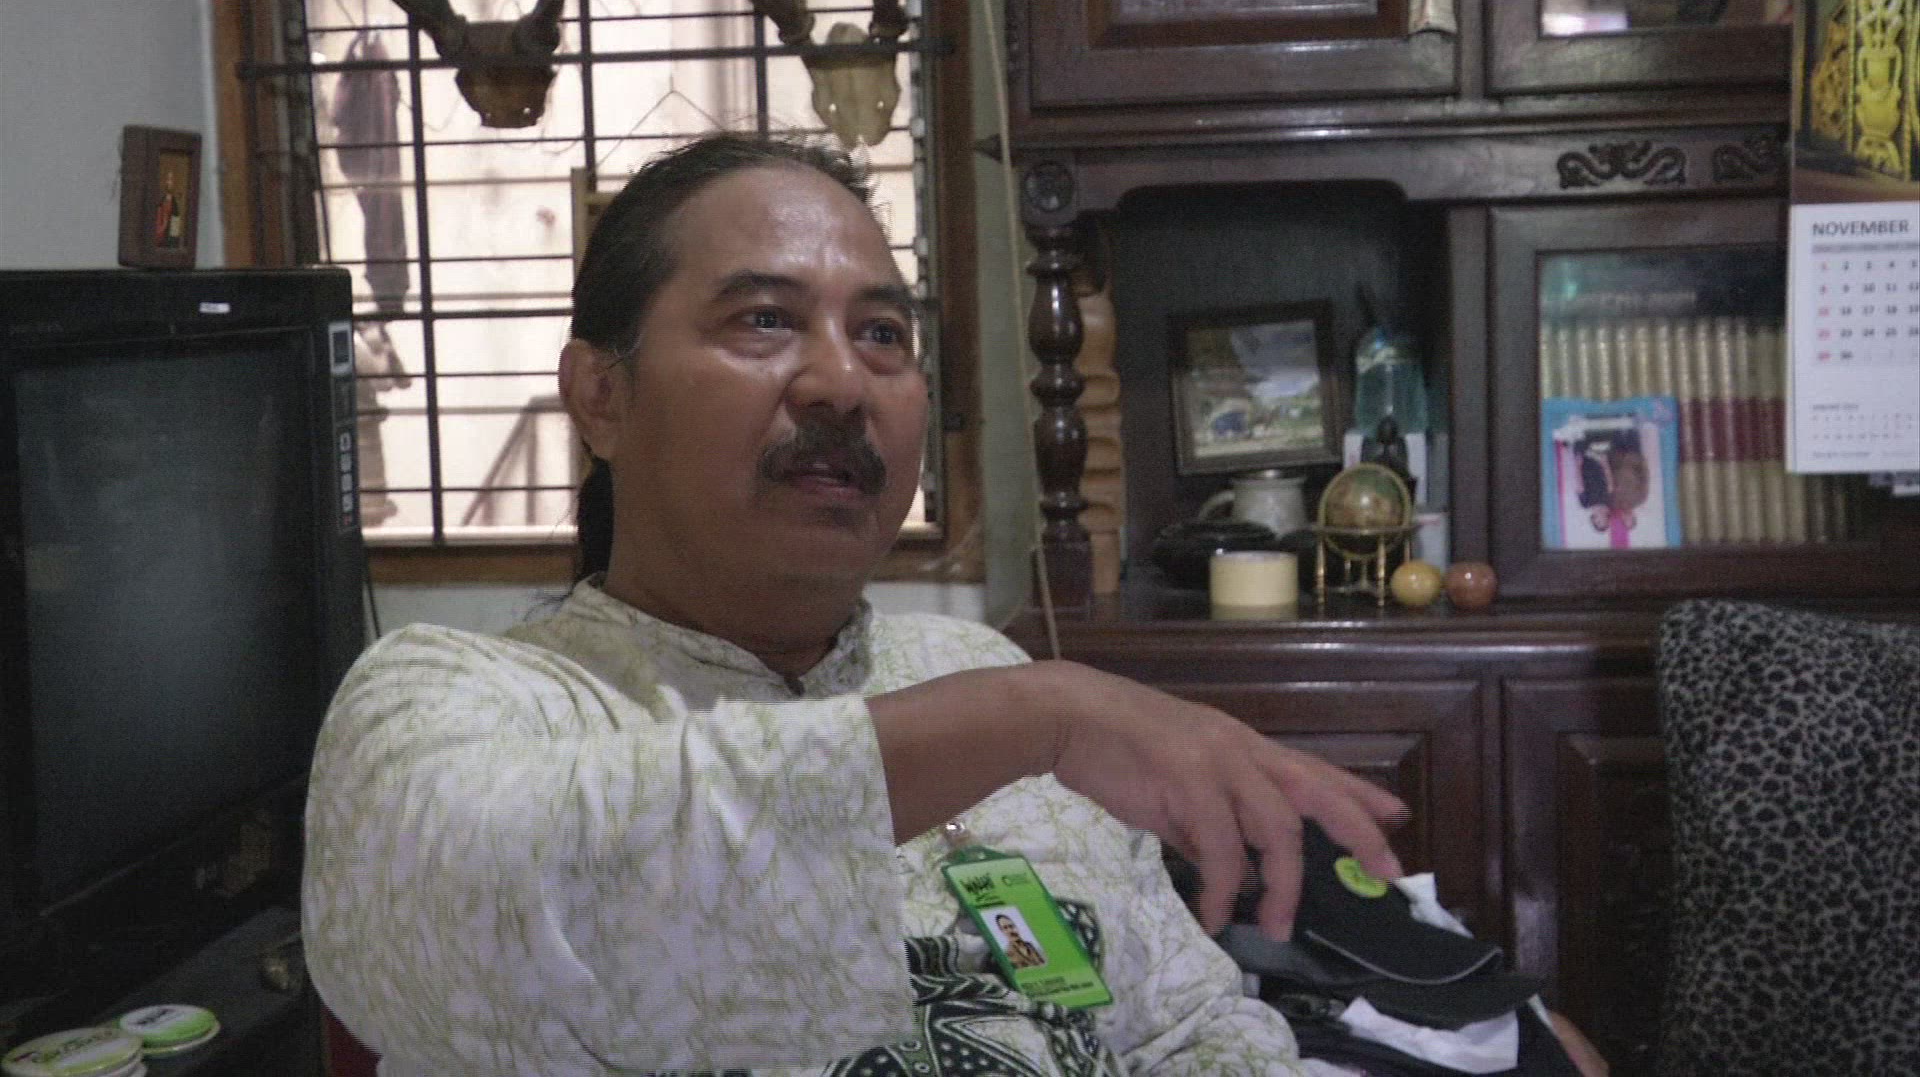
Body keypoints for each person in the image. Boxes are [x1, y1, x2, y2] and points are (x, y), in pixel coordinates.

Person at [303, 131, 1483, 1077]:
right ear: (601, 396)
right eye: (765, 320)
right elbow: (464, 919)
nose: (839, 381)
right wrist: (1033, 718)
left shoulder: (964, 667)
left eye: (882, 335)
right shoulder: (456, 698)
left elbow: (1184, 1025)